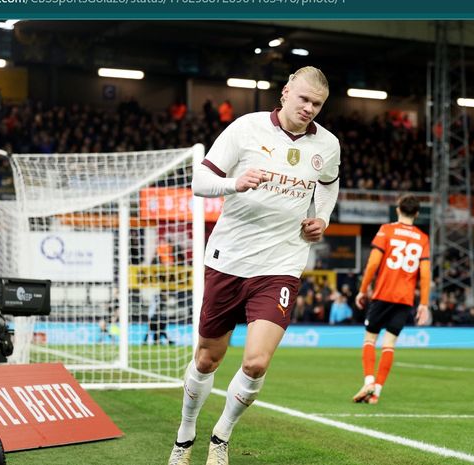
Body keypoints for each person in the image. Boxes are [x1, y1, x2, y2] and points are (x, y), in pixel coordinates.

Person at [168, 66, 340, 465]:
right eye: (304, 100)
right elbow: (199, 182)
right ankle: (185, 433)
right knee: (208, 358)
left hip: (282, 262)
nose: (310, 109)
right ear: (285, 93)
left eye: (317, 104)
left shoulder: (328, 145)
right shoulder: (245, 129)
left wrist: (323, 218)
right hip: (229, 260)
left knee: (256, 361)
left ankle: (221, 436)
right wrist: (235, 183)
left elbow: (329, 182)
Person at [352, 194, 431, 405]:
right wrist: (423, 303)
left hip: (383, 294)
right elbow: (425, 273)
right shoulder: (423, 238)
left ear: (398, 209)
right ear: (416, 213)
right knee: (389, 344)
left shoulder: (386, 230)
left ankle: (369, 381)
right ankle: (376, 392)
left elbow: (372, 263)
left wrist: (362, 289)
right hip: (404, 299)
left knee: (370, 339)